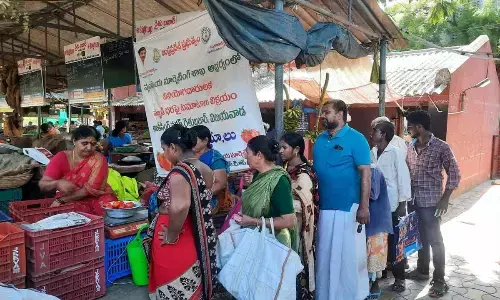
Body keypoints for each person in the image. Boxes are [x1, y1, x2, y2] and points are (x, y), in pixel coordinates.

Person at [142, 124, 217, 300]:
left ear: (174, 148)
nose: (164, 154)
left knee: (174, 285)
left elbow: (181, 206)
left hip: (176, 238)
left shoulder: (179, 173)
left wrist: (171, 234)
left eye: (164, 149)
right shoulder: (205, 169)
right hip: (195, 234)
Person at [313, 99, 371, 300]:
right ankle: (326, 295)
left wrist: (364, 207)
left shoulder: (357, 139)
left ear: (340, 114)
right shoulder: (320, 139)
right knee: (325, 256)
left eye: (327, 112)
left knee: (348, 258)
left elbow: (366, 174)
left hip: (349, 209)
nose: (323, 116)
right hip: (325, 208)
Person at [406, 110, 461, 298]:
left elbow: (454, 173)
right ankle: (422, 271)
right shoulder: (410, 147)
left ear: (419, 127)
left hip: (432, 204)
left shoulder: (441, 147)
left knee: (435, 241)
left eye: (410, 126)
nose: (408, 129)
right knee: (420, 238)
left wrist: (445, 198)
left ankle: (439, 280)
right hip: (414, 202)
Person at [370, 120, 412, 293]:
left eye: (375, 131)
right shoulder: (371, 152)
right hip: (375, 205)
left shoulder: (395, 152)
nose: (371, 134)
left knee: (396, 243)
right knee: (377, 241)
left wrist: (403, 204)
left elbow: (403, 178)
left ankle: (400, 278)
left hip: (393, 205)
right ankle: (378, 274)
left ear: (384, 134)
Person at [235, 135, 296, 250]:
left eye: (247, 152)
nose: (244, 156)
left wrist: (253, 221)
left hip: (273, 243)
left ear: (259, 155)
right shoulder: (259, 175)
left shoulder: (279, 181)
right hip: (256, 238)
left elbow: (289, 221)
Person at [39, 126, 116, 216]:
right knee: (68, 212)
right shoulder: (61, 157)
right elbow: (43, 184)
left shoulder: (98, 159)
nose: (89, 147)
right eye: (84, 143)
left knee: (110, 208)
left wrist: (61, 200)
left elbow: (91, 189)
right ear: (74, 141)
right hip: (70, 198)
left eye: (93, 144)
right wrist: (57, 183)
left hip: (97, 197)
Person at [279, 132, 318, 300]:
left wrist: (278, 203)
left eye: (284, 147)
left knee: (298, 264)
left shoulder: (304, 174)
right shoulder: (285, 168)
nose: (280, 150)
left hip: (299, 229)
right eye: (280, 147)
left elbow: (306, 205)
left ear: (296, 149)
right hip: (286, 227)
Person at [365, 167, 393, 300]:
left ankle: (375, 284)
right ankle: (368, 284)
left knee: (374, 254)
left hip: (377, 219)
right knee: (366, 254)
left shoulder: (373, 171)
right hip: (368, 219)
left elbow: (373, 193)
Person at [191, 125, 230, 214]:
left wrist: (199, 197)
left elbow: (220, 184)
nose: (191, 142)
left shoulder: (215, 158)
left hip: (209, 199)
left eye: (194, 140)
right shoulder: (189, 155)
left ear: (205, 141)